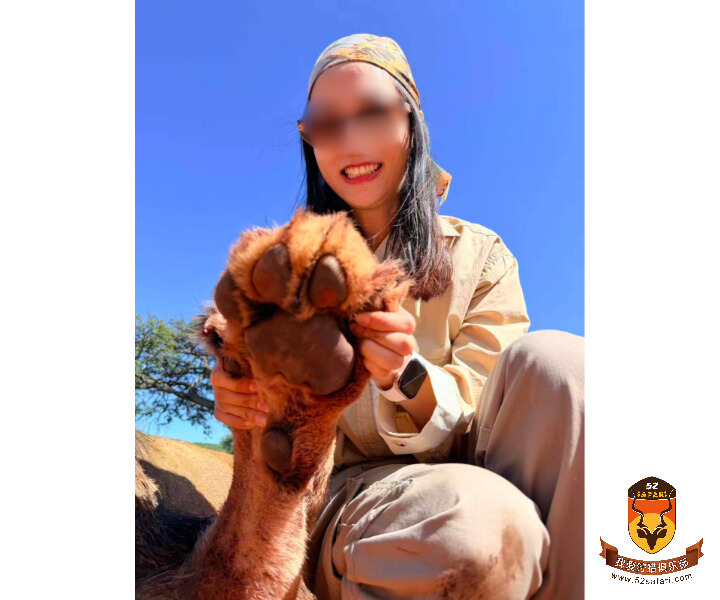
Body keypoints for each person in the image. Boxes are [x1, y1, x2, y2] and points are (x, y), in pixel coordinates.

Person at [210, 33, 584, 600]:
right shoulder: (288, 261)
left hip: (485, 463)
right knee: (474, 529)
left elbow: (484, 405)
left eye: (372, 113)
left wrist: (404, 377)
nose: (351, 140)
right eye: (327, 124)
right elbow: (262, 398)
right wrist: (241, 394)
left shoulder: (482, 255)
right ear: (309, 139)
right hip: (358, 489)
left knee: (564, 363)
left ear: (412, 119)